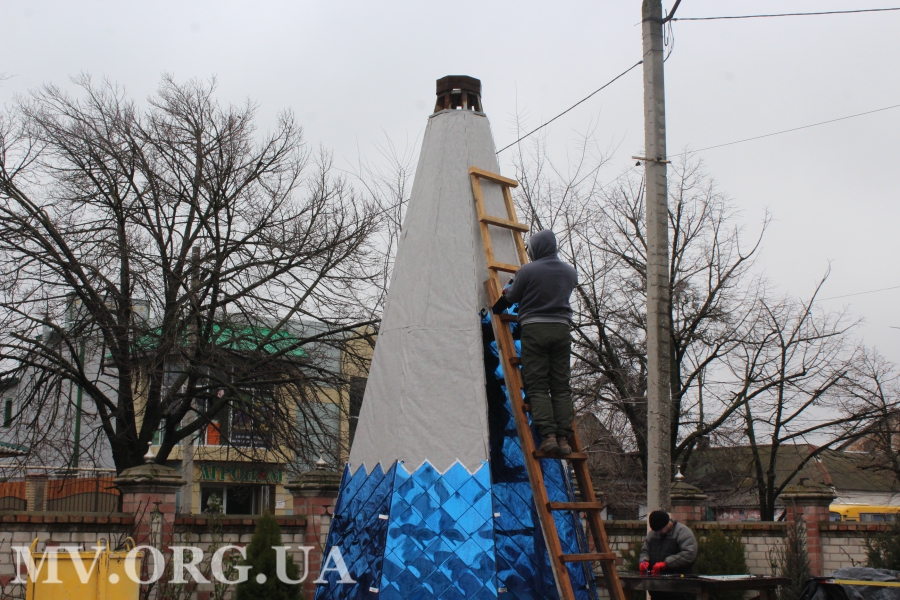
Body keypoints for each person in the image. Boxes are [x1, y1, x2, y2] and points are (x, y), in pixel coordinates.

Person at [501, 229, 578, 455]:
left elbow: (511, 297)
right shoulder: (570, 272)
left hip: (535, 330)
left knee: (538, 384)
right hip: (562, 330)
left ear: (536, 248)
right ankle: (564, 439)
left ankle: (548, 436)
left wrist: (508, 290)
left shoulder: (528, 270)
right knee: (561, 386)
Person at [639, 510, 698, 577]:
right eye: (656, 531)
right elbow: (645, 551)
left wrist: (666, 563)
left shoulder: (683, 532)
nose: (658, 533)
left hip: (678, 578)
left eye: (660, 530)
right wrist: (644, 560)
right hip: (656, 578)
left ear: (667, 523)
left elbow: (689, 554)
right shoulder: (652, 534)